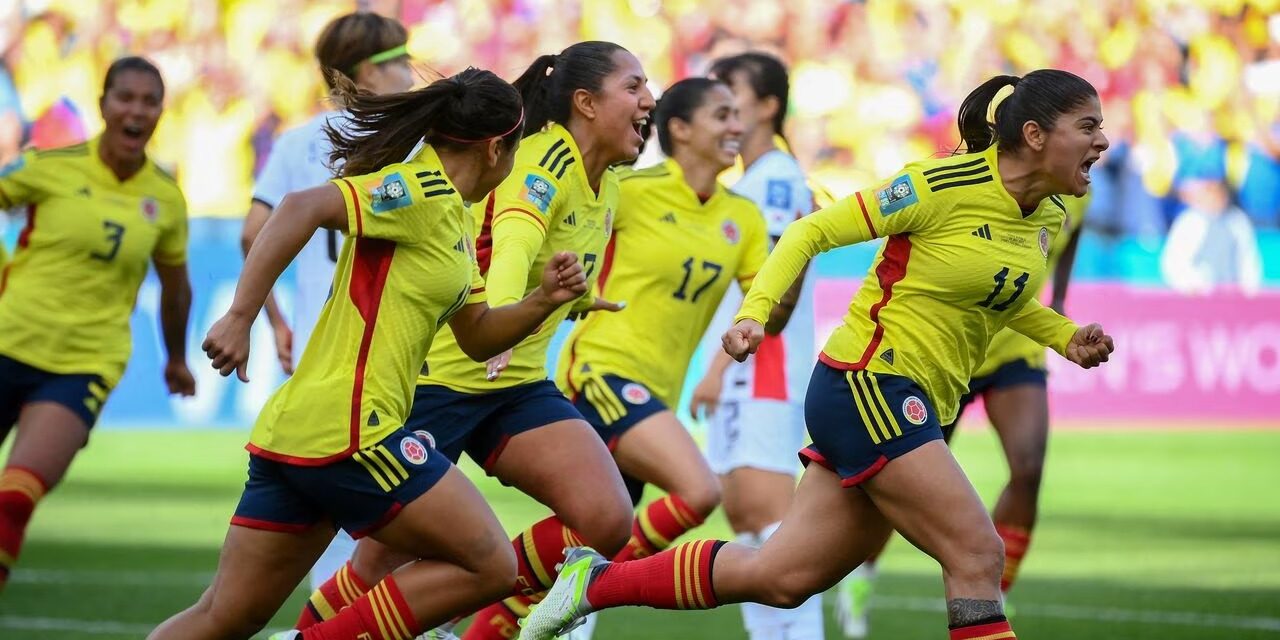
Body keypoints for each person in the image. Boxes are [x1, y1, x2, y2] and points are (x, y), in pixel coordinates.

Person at [519, 69, 1116, 640]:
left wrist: (1063, 336)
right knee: (977, 552)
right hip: (870, 385)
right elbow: (809, 233)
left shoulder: (1050, 213)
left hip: (916, 399)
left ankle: (595, 582)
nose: (1104, 141)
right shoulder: (939, 186)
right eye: (1087, 127)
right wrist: (753, 317)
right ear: (1036, 136)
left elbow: (1000, 295)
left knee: (782, 577)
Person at [149, 67, 589, 640]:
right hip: (355, 431)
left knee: (225, 617)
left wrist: (542, 300)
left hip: (305, 433)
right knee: (491, 564)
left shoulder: (455, 216)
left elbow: (477, 334)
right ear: (492, 149)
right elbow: (302, 207)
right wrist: (240, 315)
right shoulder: (418, 192)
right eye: (515, 146)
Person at [294, 41, 656, 640]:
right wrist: (511, 317)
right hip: (446, 375)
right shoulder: (544, 165)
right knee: (381, 560)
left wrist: (576, 296)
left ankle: (477, 622)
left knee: (607, 517)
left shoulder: (608, 183)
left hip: (514, 386)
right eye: (635, 86)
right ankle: (308, 635)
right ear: (586, 103)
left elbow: (542, 262)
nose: (650, 99)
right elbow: (512, 245)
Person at [836, 194, 1088, 638]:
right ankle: (863, 574)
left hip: (1016, 348)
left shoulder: (1073, 191)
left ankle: (995, 594)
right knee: (901, 492)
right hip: (946, 355)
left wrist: (1061, 301)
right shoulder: (973, 181)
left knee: (1028, 468)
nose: (1097, 146)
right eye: (1087, 127)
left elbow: (1072, 234)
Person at [0, 56, 195, 593]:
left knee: (15, 497)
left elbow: (176, 288)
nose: (136, 110)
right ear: (103, 105)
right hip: (7, 340)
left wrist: (177, 359)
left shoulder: (167, 198)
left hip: (82, 363)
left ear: (160, 112)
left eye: (149, 101)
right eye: (125, 98)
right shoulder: (47, 165)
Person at [242, 10, 415, 596]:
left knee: (333, 519)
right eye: (400, 59)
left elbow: (252, 233)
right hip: (392, 352)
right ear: (370, 69)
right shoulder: (413, 141)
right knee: (407, 506)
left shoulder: (296, 142)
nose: (411, 70)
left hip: (321, 346)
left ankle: (332, 620)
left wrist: (276, 322)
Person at [689, 52, 824, 640]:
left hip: (759, 368)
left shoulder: (772, 178)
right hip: (757, 369)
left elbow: (773, 284)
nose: (724, 106)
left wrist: (719, 366)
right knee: (750, 520)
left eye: (732, 92)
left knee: (768, 523)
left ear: (768, 105)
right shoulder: (757, 178)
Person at [1160, 178, 1263, 296]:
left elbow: (1248, 259)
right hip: (1197, 296)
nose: (1215, 197)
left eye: (1219, 192)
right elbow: (1174, 262)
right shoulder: (1189, 222)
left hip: (1233, 296)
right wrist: (1192, 286)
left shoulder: (1238, 221)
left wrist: (1248, 291)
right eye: (1210, 192)